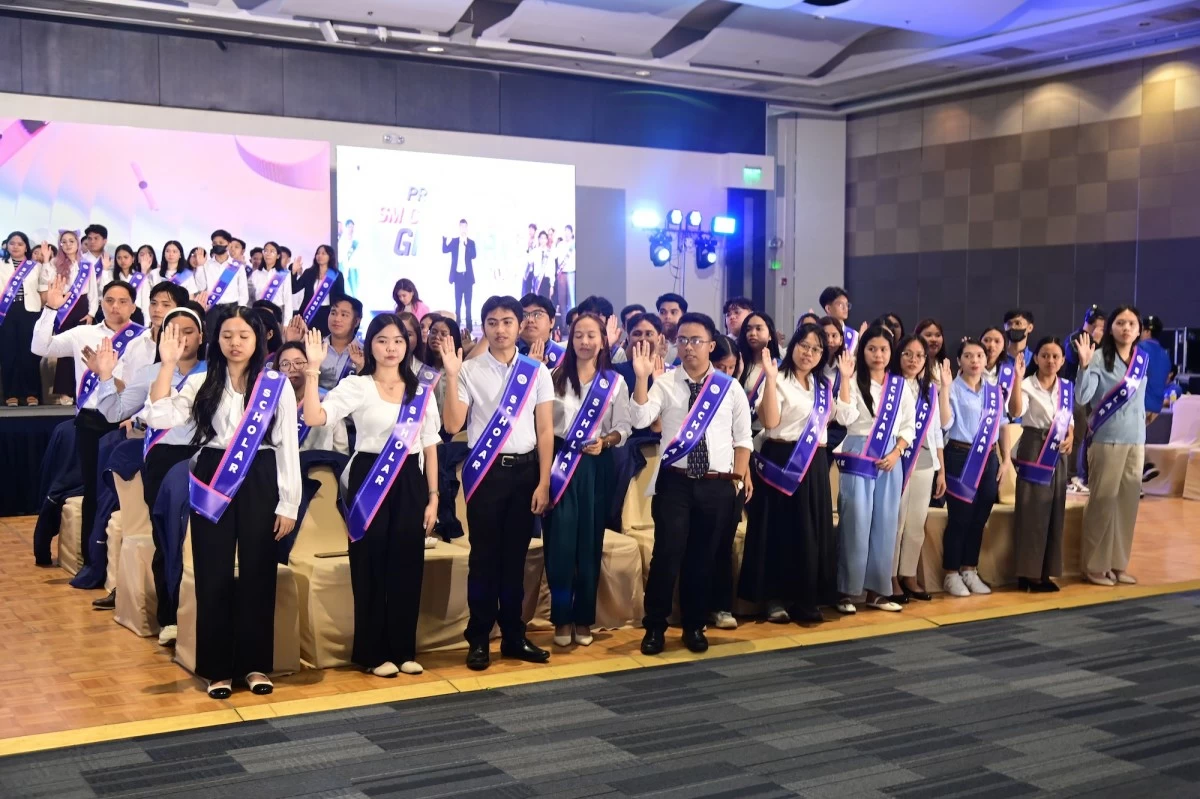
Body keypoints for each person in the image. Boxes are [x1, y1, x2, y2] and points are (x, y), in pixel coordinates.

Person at [146, 307, 301, 698]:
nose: (235, 343)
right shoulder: (202, 381)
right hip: (214, 475)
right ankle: (217, 670)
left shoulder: (275, 384)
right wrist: (167, 365)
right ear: (216, 340)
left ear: (258, 339)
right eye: (228, 335)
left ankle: (255, 665)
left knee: (258, 573)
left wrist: (289, 503)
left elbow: (287, 446)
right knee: (212, 573)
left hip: (261, 474)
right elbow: (159, 416)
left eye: (244, 335)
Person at [302, 316, 439, 677]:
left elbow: (430, 443)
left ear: (407, 345)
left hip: (409, 478)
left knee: (408, 564)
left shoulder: (421, 390)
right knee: (370, 564)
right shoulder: (357, 386)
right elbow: (315, 416)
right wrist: (313, 370)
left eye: (398, 341)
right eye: (382, 340)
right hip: (370, 476)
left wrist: (434, 496)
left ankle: (403, 650)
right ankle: (372, 653)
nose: (391, 348)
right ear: (370, 344)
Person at [439, 295, 554, 671]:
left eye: (507, 322)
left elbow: (545, 430)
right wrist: (452, 374)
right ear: (483, 327)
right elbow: (453, 425)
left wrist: (544, 482)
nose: (500, 329)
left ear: (519, 325)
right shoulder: (469, 370)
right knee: (484, 559)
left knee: (515, 559)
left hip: (525, 474)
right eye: (492, 322)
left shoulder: (536, 372)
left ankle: (514, 636)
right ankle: (479, 638)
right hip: (486, 474)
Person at [629, 312, 753, 655]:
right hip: (675, 484)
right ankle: (655, 626)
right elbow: (640, 418)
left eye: (696, 340)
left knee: (703, 558)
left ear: (711, 345)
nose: (688, 347)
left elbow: (744, 439)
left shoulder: (729, 388)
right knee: (667, 555)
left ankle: (695, 625)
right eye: (682, 340)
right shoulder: (665, 383)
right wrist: (641, 378)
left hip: (717, 485)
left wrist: (737, 481)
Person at [97, 304, 206, 638]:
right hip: (164, 458)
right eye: (173, 332)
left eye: (188, 331)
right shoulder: (150, 373)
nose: (181, 338)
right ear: (160, 337)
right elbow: (113, 411)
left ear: (202, 336)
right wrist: (105, 376)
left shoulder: (215, 371)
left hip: (208, 457)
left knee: (204, 537)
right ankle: (170, 616)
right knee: (167, 535)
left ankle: (205, 614)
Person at [32, 279, 156, 567]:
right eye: (109, 300)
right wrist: (50, 309)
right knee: (92, 490)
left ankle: (119, 563)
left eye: (122, 301)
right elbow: (40, 347)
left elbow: (142, 390)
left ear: (133, 306)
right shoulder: (84, 333)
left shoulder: (145, 340)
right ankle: (92, 562)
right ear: (101, 304)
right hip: (90, 421)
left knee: (122, 493)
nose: (115, 307)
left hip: (126, 421)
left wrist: (106, 375)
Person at [740, 322, 853, 623]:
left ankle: (806, 597)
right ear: (793, 346)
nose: (809, 353)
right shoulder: (777, 377)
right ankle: (773, 598)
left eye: (816, 349)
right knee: (777, 530)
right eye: (804, 345)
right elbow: (771, 422)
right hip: (780, 459)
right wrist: (770, 380)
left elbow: (845, 416)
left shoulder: (822, 386)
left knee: (810, 531)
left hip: (813, 463)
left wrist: (845, 378)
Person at [544, 312, 630, 647]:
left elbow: (622, 427)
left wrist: (605, 442)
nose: (584, 341)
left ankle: (583, 619)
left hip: (595, 465)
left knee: (590, 544)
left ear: (603, 340)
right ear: (570, 338)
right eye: (578, 335)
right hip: (560, 465)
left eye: (591, 335)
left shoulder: (614, 382)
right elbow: (543, 425)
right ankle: (561, 619)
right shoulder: (553, 376)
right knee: (560, 545)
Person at [833, 325, 914, 614]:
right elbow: (845, 417)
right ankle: (845, 591)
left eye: (883, 349)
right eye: (871, 349)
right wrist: (844, 378)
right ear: (863, 351)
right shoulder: (853, 380)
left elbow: (908, 426)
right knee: (855, 521)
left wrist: (896, 452)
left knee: (885, 523)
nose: (878, 355)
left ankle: (877, 592)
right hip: (860, 451)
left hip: (891, 457)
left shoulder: (900, 386)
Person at [941, 337, 1025, 597]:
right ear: (959, 360)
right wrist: (943, 389)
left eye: (979, 355)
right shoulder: (952, 388)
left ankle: (970, 569)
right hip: (959, 456)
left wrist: (1006, 458)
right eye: (968, 356)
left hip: (989, 459)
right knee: (960, 517)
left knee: (980, 517)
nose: (974, 360)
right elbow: (945, 424)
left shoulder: (993, 391)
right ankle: (951, 573)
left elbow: (1003, 425)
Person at [1075, 305, 1146, 587]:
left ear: (1139, 330)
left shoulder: (1142, 360)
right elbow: (1083, 397)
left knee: (1127, 506)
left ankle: (1118, 564)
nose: (1126, 328)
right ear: (1111, 328)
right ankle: (1094, 566)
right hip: (1107, 439)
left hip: (1136, 440)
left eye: (1131, 323)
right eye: (1120, 323)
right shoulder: (1097, 358)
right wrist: (1083, 366)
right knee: (1102, 503)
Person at [891, 335, 950, 602]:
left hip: (925, 460)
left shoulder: (929, 390)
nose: (913, 360)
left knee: (916, 523)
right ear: (898, 355)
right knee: (896, 522)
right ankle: (890, 576)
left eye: (919, 355)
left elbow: (937, 431)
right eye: (908, 354)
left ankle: (909, 575)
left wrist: (941, 470)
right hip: (898, 459)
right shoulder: (891, 385)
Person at [1013, 336, 1074, 593]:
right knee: (1032, 510)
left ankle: (1045, 571)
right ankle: (1029, 573)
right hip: (1035, 446)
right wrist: (1016, 381)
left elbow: (1069, 419)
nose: (1050, 360)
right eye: (1045, 355)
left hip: (1059, 448)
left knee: (1055, 510)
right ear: (1036, 358)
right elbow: (1016, 412)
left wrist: (1071, 434)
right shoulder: (1027, 384)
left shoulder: (1066, 387)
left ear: (1062, 360)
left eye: (1056, 356)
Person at [424, 315, 469, 540]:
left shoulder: (462, 368)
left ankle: (446, 518)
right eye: (433, 332)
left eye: (443, 334)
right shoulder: (419, 368)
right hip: (427, 432)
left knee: (442, 456)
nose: (437, 337)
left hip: (456, 432)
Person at [39, 230, 97, 401]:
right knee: (65, 350)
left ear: (78, 243)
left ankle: (82, 389)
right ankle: (65, 392)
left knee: (83, 350)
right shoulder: (54, 263)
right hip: (63, 308)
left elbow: (93, 291)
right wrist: (46, 260)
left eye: (71, 241)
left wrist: (91, 313)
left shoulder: (87, 265)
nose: (68, 244)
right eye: (64, 241)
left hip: (82, 308)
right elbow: (46, 280)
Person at [274, 341, 348, 454]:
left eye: (298, 363)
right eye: (285, 364)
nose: (292, 369)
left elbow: (341, 449)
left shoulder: (327, 400)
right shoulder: (272, 403)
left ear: (310, 364)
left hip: (319, 462)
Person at [1064, 306, 1105, 493]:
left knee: (1090, 436)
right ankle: (1069, 476)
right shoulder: (1075, 338)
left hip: (1094, 394)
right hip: (1076, 393)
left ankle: (1087, 476)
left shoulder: (1104, 342)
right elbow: (1074, 358)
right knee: (1076, 435)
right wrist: (1094, 342)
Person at [0, 231, 42, 406]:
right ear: (6, 246)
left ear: (26, 247)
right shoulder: (1, 264)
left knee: (29, 352)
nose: (15, 246)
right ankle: (11, 394)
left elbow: (43, 288)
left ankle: (32, 393)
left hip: (30, 312)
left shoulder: (36, 266)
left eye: (20, 243)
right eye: (12, 243)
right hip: (6, 312)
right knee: (9, 353)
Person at [312, 295, 364, 390]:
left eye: (344, 315)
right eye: (333, 313)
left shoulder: (364, 353)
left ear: (356, 321)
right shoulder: (314, 348)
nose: (337, 319)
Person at [737, 312, 781, 424]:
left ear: (770, 335)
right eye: (748, 329)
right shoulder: (738, 363)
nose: (752, 333)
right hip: (740, 428)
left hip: (767, 429)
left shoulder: (779, 366)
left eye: (758, 329)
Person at [291, 245, 342, 336]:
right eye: (318, 253)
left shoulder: (336, 275)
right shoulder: (309, 273)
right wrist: (293, 272)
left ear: (330, 256)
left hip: (328, 313)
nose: (320, 256)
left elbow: (341, 296)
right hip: (309, 312)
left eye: (323, 253)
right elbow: (294, 289)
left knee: (326, 339)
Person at [195, 230, 249, 309]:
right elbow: (201, 287)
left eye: (221, 243)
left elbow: (243, 291)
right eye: (215, 243)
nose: (218, 245)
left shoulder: (237, 266)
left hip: (232, 308)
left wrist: (241, 310)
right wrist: (200, 266)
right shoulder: (206, 265)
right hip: (211, 308)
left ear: (229, 245)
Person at [819, 316, 848, 453]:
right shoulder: (810, 365)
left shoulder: (847, 365)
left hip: (838, 428)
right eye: (825, 336)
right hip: (814, 426)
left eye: (834, 336)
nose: (830, 340)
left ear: (841, 339)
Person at [443, 219, 477, 332]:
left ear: (467, 228)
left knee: (468, 305)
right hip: (457, 277)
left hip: (467, 278)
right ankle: (456, 328)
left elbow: (473, 255)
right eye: (461, 227)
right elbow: (445, 250)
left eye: (465, 227)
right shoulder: (454, 241)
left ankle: (469, 329)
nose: (463, 229)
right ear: (459, 228)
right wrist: (444, 238)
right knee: (457, 305)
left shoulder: (471, 243)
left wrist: (466, 245)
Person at [249, 242, 294, 321]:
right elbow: (250, 297)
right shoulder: (255, 274)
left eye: (272, 251)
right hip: (258, 314)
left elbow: (288, 300)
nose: (268, 254)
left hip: (277, 315)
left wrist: (287, 322)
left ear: (278, 256)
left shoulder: (284, 274)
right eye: (266, 251)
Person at [819, 286, 857, 352]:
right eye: (841, 305)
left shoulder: (855, 336)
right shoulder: (818, 333)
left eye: (847, 305)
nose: (845, 308)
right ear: (828, 309)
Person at [655, 293, 687, 363]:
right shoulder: (652, 343)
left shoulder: (689, 345)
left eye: (673, 312)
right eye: (662, 312)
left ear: (683, 316)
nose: (667, 317)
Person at [553, 224, 575, 319]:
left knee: (571, 300)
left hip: (572, 273)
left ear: (572, 233)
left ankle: (572, 322)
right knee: (562, 300)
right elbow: (554, 256)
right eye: (565, 231)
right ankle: (564, 323)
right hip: (562, 273)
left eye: (568, 232)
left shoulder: (575, 244)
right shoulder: (560, 245)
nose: (566, 234)